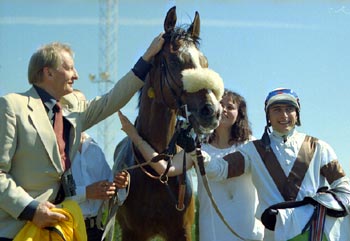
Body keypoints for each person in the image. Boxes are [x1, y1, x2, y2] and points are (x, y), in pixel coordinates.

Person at [0, 33, 164, 240]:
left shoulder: (75, 116)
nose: (76, 75)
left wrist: (148, 57)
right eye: (69, 68)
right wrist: (31, 209)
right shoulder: (11, 106)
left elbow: (113, 99)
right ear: (48, 72)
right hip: (18, 229)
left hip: (61, 228)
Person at [201, 88, 350, 241]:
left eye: (289, 109)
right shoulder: (253, 150)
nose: (284, 115)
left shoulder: (318, 147)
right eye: (277, 110)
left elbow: (343, 187)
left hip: (315, 232)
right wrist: (195, 150)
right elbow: (219, 169)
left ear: (297, 114)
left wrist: (322, 206)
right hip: (274, 234)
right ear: (268, 116)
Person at [117, 89, 264, 241]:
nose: (225, 109)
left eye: (231, 107)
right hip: (212, 232)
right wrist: (135, 137)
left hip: (247, 231)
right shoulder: (200, 146)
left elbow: (221, 170)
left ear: (240, 113)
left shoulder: (251, 145)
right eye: (220, 104)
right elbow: (164, 169)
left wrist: (194, 152)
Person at [69, 89, 125, 241]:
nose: (81, 111)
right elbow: (51, 194)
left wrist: (120, 184)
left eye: (84, 106)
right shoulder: (56, 149)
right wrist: (86, 192)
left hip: (94, 232)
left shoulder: (94, 149)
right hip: (65, 230)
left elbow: (110, 189)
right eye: (74, 106)